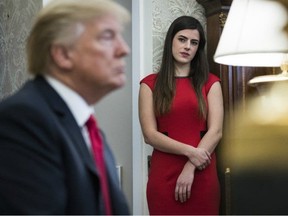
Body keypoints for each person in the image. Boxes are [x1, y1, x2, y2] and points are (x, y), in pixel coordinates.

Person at [0, 0, 130, 214]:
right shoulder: (23, 120)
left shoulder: (90, 129)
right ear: (62, 54)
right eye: (108, 36)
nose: (124, 49)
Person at [139, 16, 224, 215]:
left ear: (198, 49)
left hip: (203, 172)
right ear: (171, 41)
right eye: (182, 39)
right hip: (164, 175)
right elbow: (150, 135)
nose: (187, 46)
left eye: (194, 43)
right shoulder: (149, 84)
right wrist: (191, 152)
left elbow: (216, 131)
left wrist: (191, 166)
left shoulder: (211, 83)